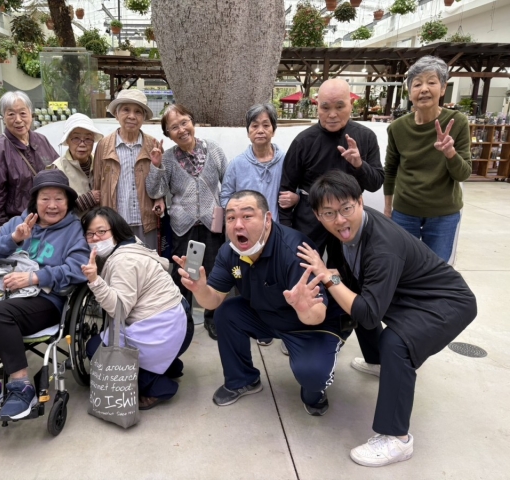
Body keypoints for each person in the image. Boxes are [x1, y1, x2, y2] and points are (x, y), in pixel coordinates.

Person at [298, 170, 477, 467]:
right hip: (408, 295)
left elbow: (369, 315)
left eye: (346, 208)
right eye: (329, 213)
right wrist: (332, 279)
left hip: (447, 302)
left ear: (360, 201)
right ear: (318, 215)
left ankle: (397, 438)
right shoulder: (347, 231)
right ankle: (378, 363)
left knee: (397, 342)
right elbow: (354, 285)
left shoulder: (383, 245)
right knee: (352, 296)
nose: (340, 220)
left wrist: (328, 278)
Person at [174, 190, 352, 415]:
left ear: (268, 219)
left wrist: (303, 307)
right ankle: (243, 379)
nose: (238, 225)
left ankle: (316, 391)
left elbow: (317, 314)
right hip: (268, 315)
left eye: (247, 216)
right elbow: (213, 300)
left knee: (313, 376)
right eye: (231, 217)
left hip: (311, 327)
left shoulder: (295, 250)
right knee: (226, 312)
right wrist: (199, 288)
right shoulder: (229, 253)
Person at [0, 169, 89, 420]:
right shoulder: (17, 223)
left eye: (59, 199)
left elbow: (79, 268)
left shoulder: (74, 230)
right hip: (3, 296)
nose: (52, 205)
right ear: (35, 201)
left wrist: (35, 277)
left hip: (46, 300)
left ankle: (21, 387)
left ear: (68, 202)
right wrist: (13, 239)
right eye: (45, 198)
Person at [81, 207, 194, 411]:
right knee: (110, 340)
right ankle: (167, 366)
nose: (96, 238)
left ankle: (159, 387)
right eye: (90, 234)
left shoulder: (123, 261)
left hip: (165, 328)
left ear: (115, 230)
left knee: (96, 349)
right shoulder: (132, 244)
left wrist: (95, 281)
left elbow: (120, 310)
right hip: (178, 321)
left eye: (101, 231)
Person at [146, 104, 228, 341]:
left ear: (192, 122)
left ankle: (213, 318)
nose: (181, 129)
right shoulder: (168, 159)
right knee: (185, 274)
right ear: (168, 134)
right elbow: (155, 191)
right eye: (174, 127)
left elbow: (228, 183)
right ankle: (183, 319)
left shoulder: (214, 150)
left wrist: (226, 214)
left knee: (214, 272)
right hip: (183, 227)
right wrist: (156, 165)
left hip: (213, 224)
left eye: (184, 122)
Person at [279, 78, 384, 251]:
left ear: (351, 105)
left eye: (340, 107)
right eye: (325, 107)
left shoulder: (366, 137)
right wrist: (286, 231)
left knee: (344, 266)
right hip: (310, 217)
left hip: (348, 217)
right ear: (317, 106)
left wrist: (360, 165)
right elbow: (285, 190)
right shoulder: (303, 141)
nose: (332, 114)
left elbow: (375, 184)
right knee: (305, 264)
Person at [384, 55, 472, 262]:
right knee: (403, 267)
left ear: (443, 88)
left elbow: (464, 174)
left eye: (431, 82)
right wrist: (388, 208)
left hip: (443, 215)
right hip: (405, 212)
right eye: (417, 84)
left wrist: (450, 153)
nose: (424, 89)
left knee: (437, 270)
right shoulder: (397, 128)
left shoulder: (457, 122)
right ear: (410, 92)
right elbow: (390, 169)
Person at [219, 103, 285, 347]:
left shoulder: (285, 160)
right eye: (254, 125)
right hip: (245, 238)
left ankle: (286, 329)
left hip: (276, 235)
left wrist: (295, 197)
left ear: (273, 129)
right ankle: (259, 328)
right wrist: (241, 215)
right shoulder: (237, 164)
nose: (260, 130)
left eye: (266, 125)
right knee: (246, 280)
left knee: (278, 282)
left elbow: (297, 190)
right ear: (248, 131)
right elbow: (225, 197)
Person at [93, 89, 164, 250]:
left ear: (144, 117)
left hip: (146, 223)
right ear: (116, 114)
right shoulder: (104, 145)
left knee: (147, 262)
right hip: (114, 223)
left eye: (138, 112)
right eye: (126, 110)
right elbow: (96, 185)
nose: (132, 116)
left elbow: (161, 182)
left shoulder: (153, 145)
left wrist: (160, 197)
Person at [0, 91, 59, 230]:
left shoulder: (41, 140)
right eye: (11, 114)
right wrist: (9, 231)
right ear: (3, 117)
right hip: (19, 226)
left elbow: (59, 173)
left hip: (49, 222)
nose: (18, 120)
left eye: (23, 113)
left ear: (31, 114)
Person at [48, 113, 104, 217]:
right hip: (73, 226)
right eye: (76, 138)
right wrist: (87, 200)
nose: (82, 144)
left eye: (88, 139)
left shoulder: (100, 163)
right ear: (67, 141)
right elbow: (53, 208)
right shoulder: (57, 169)